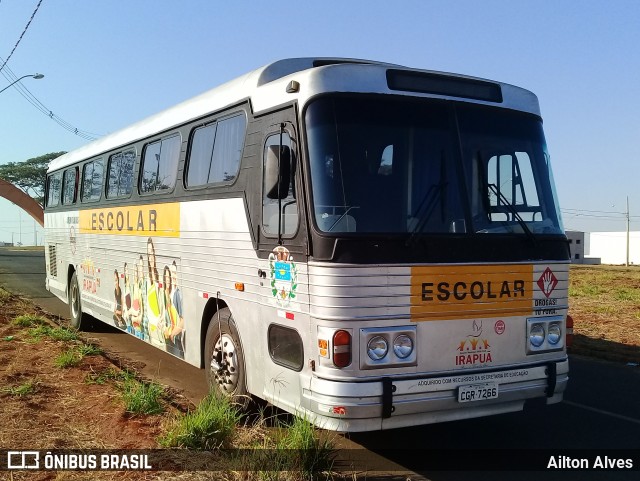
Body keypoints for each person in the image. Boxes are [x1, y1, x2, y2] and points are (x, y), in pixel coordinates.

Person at [146, 237, 166, 348]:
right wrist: (156, 321)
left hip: (161, 331)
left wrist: (162, 318)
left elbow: (164, 304)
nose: (151, 256)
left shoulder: (159, 277)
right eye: (149, 253)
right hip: (153, 329)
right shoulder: (147, 280)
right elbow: (147, 308)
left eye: (152, 252)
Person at [170, 260, 185, 356]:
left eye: (175, 273)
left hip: (180, 334)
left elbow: (183, 321)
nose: (173, 276)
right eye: (172, 273)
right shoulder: (176, 292)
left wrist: (172, 333)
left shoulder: (179, 293)